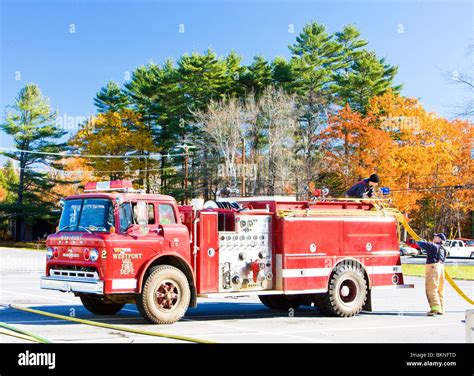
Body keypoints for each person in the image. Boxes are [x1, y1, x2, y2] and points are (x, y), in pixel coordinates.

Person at [417, 233, 447, 316]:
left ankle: (435, 309)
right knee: (439, 289)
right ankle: (441, 308)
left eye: (436, 236)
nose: (434, 237)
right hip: (441, 268)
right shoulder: (444, 249)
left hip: (433, 268)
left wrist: (422, 241)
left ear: (440, 239)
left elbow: (419, 243)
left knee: (431, 288)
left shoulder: (433, 246)